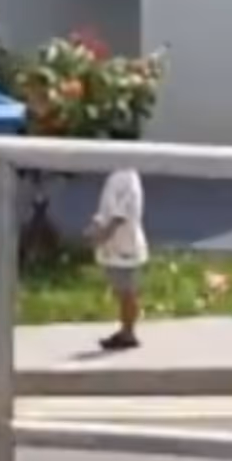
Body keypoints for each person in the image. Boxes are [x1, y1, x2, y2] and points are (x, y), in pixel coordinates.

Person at [84, 130, 149, 350]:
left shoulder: (127, 178)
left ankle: (128, 332)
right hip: (117, 245)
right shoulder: (117, 175)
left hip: (125, 245)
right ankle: (125, 329)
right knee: (122, 290)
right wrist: (96, 226)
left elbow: (120, 215)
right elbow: (108, 208)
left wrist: (102, 235)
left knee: (127, 291)